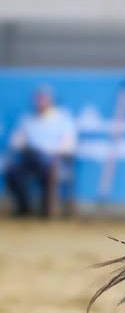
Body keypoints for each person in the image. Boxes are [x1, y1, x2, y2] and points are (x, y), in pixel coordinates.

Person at [5, 85, 77, 217]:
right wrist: (22, 145)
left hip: (52, 160)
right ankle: (24, 209)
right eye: (38, 99)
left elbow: (69, 146)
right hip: (30, 159)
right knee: (12, 172)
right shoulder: (28, 119)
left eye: (43, 99)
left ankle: (46, 212)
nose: (40, 102)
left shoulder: (62, 118)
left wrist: (50, 152)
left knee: (46, 168)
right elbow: (15, 142)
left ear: (51, 100)